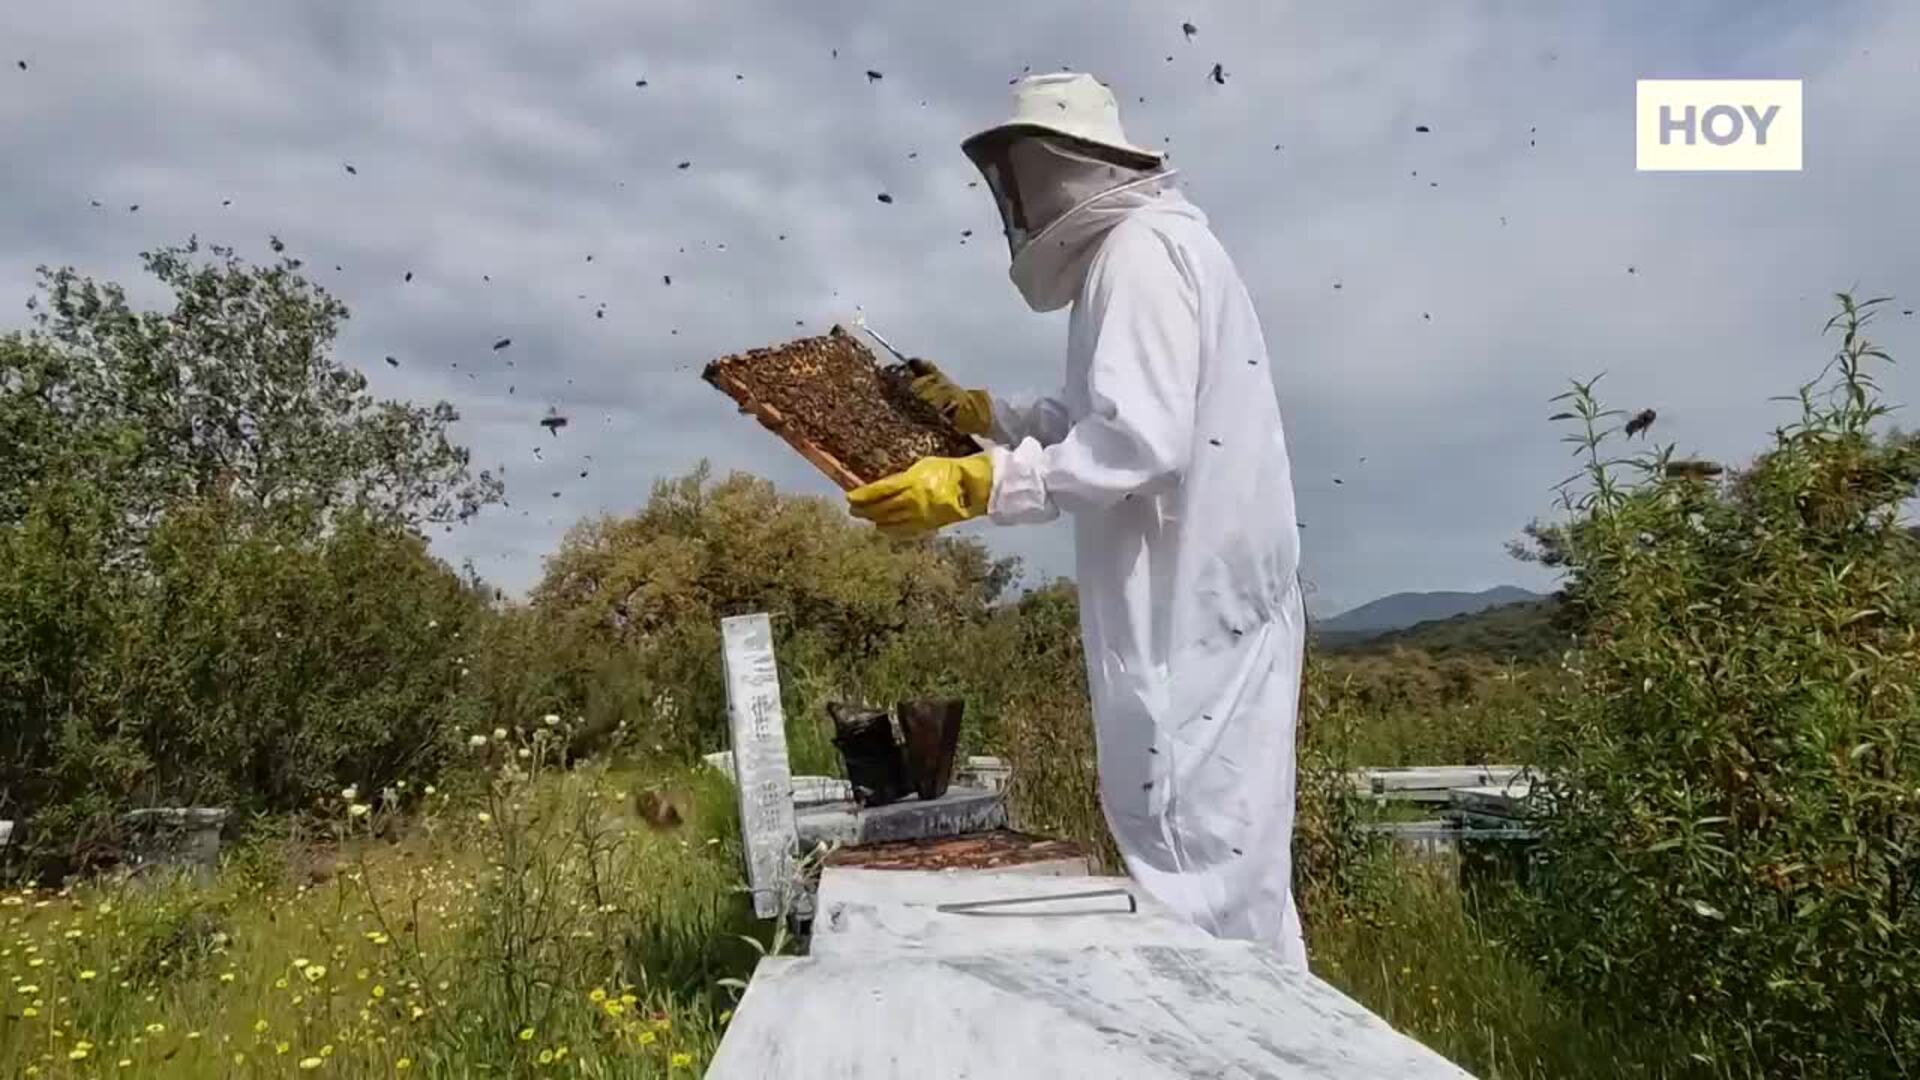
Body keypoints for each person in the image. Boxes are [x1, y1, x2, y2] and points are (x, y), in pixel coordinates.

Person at [846, 72, 1308, 966]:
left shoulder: (1139, 252)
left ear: (1054, 167)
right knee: (1230, 874)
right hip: (1205, 611)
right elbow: (1097, 419)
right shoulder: (1152, 249)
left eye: (1019, 176)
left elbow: (1138, 442)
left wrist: (976, 486)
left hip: (1189, 621)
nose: (1014, 201)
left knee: (1196, 871)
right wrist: (986, 413)